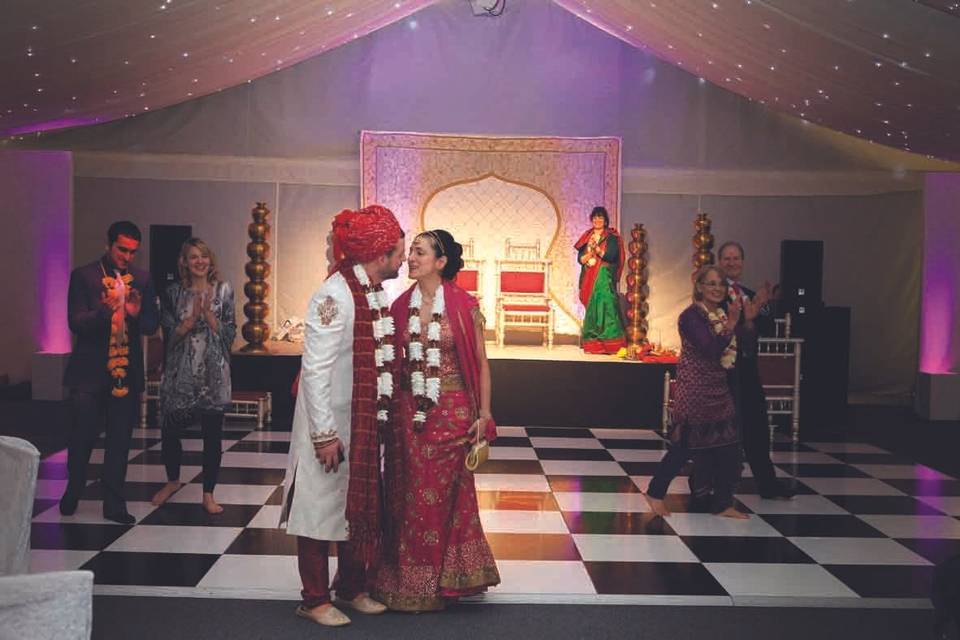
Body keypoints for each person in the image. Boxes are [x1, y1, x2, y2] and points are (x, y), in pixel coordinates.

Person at [280, 205, 404, 627]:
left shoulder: (370, 290)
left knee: (357, 509)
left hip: (361, 425)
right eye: (398, 251)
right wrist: (324, 435)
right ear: (380, 253)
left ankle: (351, 589)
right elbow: (314, 369)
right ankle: (313, 599)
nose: (402, 258)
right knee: (318, 510)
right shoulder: (334, 294)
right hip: (330, 427)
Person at [373, 229, 501, 611]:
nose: (410, 258)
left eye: (420, 252)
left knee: (447, 498)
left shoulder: (464, 304)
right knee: (410, 495)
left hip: (454, 411)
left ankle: (447, 578)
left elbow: (480, 363)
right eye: (410, 251)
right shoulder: (399, 307)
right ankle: (409, 579)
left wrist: (484, 413)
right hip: (409, 416)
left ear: (441, 262)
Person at [60, 220, 159, 524]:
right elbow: (76, 323)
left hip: (125, 374)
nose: (126, 256)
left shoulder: (142, 279)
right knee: (82, 437)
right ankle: (73, 489)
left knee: (119, 441)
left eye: (132, 252)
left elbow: (151, 326)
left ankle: (114, 504)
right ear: (108, 245)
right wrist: (106, 311)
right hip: (88, 374)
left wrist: (135, 313)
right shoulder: (84, 276)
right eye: (121, 249)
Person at [644, 265, 747, 519]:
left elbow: (731, 351)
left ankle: (723, 504)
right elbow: (711, 350)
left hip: (718, 388)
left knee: (729, 447)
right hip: (696, 391)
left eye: (721, 284)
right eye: (710, 283)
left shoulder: (721, 314)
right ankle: (655, 494)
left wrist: (737, 320)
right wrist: (732, 324)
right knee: (685, 447)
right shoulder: (691, 317)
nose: (717, 288)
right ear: (699, 287)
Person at [151, 238, 236, 514]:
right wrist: (189, 322)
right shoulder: (173, 293)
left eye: (203, 256)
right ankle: (173, 481)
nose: (199, 261)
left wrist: (210, 316)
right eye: (193, 257)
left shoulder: (223, 291)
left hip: (213, 374)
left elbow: (229, 336)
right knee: (170, 429)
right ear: (184, 262)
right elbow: (168, 338)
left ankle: (208, 494)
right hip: (180, 374)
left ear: (210, 261)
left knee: (212, 435)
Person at [717, 241, 796, 499]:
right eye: (727, 258)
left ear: (742, 262)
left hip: (748, 369)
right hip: (724, 371)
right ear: (720, 262)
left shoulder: (749, 293)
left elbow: (766, 322)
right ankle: (709, 486)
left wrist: (764, 306)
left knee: (758, 427)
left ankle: (768, 484)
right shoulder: (714, 294)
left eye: (736, 258)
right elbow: (722, 327)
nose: (732, 263)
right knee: (721, 430)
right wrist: (746, 318)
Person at [574, 206, 626, 354]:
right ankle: (593, 343)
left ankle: (611, 343)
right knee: (592, 308)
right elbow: (580, 259)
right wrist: (590, 254)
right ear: (591, 220)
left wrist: (597, 249)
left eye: (601, 217)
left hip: (604, 278)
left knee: (607, 306)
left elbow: (611, 256)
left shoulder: (611, 237)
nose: (597, 220)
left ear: (605, 220)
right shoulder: (586, 236)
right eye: (595, 217)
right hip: (589, 277)